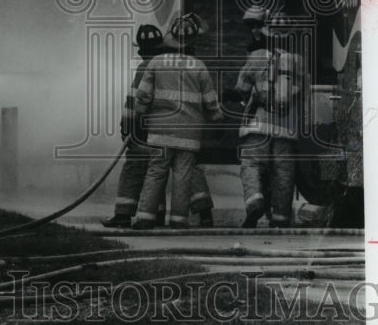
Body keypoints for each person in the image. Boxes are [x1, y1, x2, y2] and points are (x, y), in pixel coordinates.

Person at [131, 13, 224, 230]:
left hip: (160, 130)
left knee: (156, 171)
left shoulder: (155, 62)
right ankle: (179, 221)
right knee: (183, 175)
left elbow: (143, 96)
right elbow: (211, 100)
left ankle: (144, 218)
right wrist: (218, 121)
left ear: (171, 36)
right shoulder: (199, 66)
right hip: (189, 133)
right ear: (191, 41)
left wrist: (137, 118)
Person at [224, 12, 308, 228]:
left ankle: (255, 201)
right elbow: (304, 96)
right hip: (286, 128)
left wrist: (230, 94)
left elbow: (241, 90)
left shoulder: (257, 56)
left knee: (251, 164)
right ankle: (280, 218)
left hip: (258, 125)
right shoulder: (298, 62)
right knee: (283, 172)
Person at [101, 24, 168, 228]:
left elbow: (133, 101)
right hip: (161, 131)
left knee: (133, 170)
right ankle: (156, 214)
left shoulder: (145, 67)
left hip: (142, 131)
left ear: (141, 49)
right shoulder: (168, 66)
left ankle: (123, 214)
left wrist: (126, 128)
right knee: (155, 174)